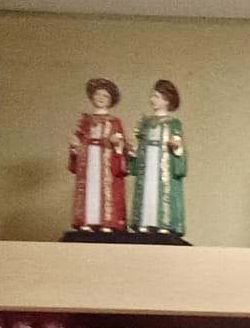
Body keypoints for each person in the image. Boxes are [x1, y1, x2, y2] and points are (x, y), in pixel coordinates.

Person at [67, 78, 127, 233]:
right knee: (89, 188)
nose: (100, 98)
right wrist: (75, 147)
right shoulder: (85, 121)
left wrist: (116, 143)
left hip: (105, 161)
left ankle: (106, 221)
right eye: (98, 94)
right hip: (89, 160)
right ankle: (87, 220)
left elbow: (121, 145)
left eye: (105, 96)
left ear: (111, 101)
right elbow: (79, 140)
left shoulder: (114, 122)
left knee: (104, 189)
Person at [127, 79, 185, 237]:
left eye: (156, 96)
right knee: (147, 189)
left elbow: (178, 143)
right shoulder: (145, 122)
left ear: (166, 100)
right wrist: (132, 147)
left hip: (162, 164)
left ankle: (163, 223)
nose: (152, 99)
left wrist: (175, 145)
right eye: (153, 96)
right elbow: (137, 144)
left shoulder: (173, 123)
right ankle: (144, 222)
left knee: (162, 191)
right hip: (147, 162)